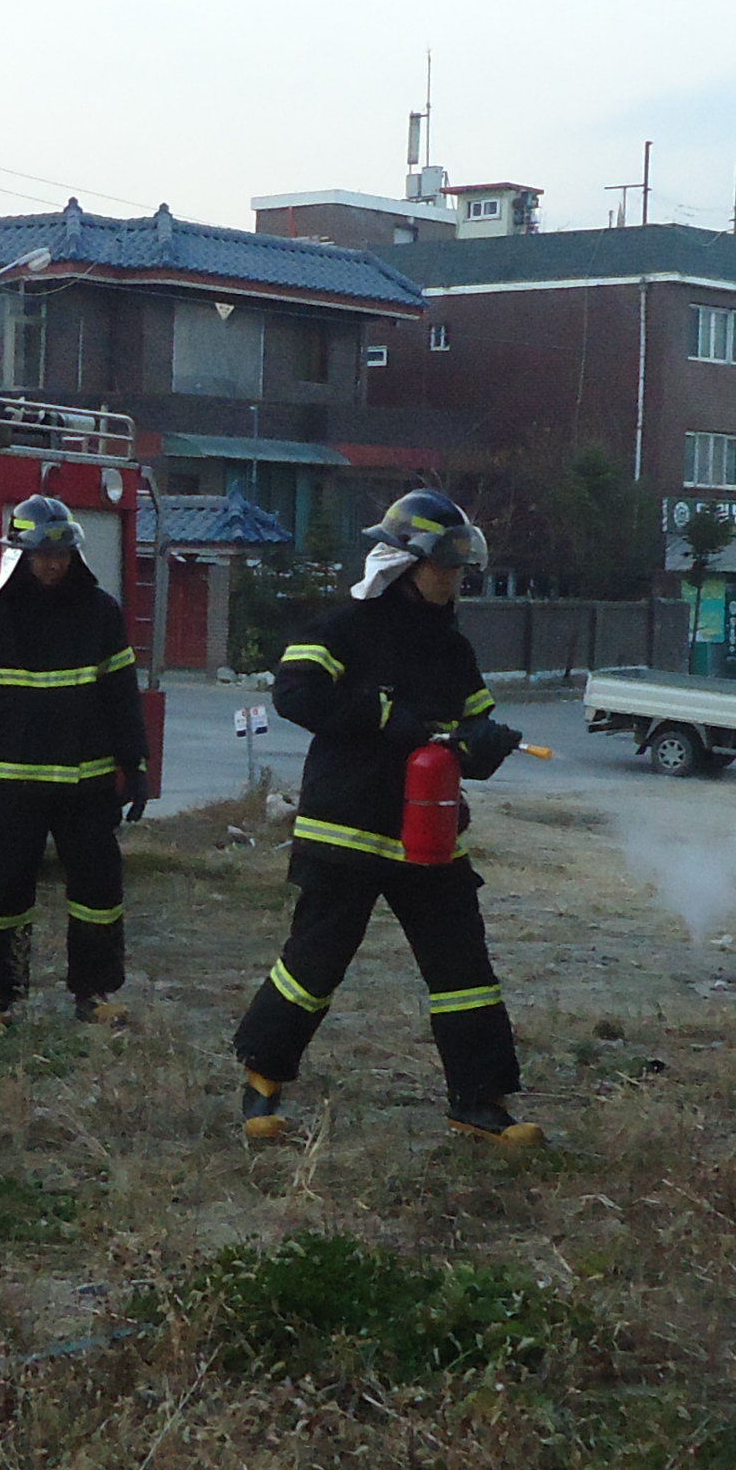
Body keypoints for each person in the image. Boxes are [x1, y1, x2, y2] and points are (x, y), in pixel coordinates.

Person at [231, 489, 533, 1146]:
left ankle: (479, 1102)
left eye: (459, 566)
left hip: (430, 834)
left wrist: (484, 745)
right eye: (443, 565)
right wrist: (379, 714)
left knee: (463, 970)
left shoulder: (453, 650)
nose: (453, 578)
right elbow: (294, 693)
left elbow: (468, 732)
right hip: (346, 830)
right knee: (314, 963)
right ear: (404, 561)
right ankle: (261, 1080)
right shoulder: (345, 627)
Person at [0, 494, 151, 1026]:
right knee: (0, 895)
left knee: (99, 893)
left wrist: (136, 765)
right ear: (20, 553)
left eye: (62, 553)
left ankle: (94, 993)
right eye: (43, 554)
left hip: (87, 786)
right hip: (12, 786)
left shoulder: (101, 611)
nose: (54, 564)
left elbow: (122, 696)